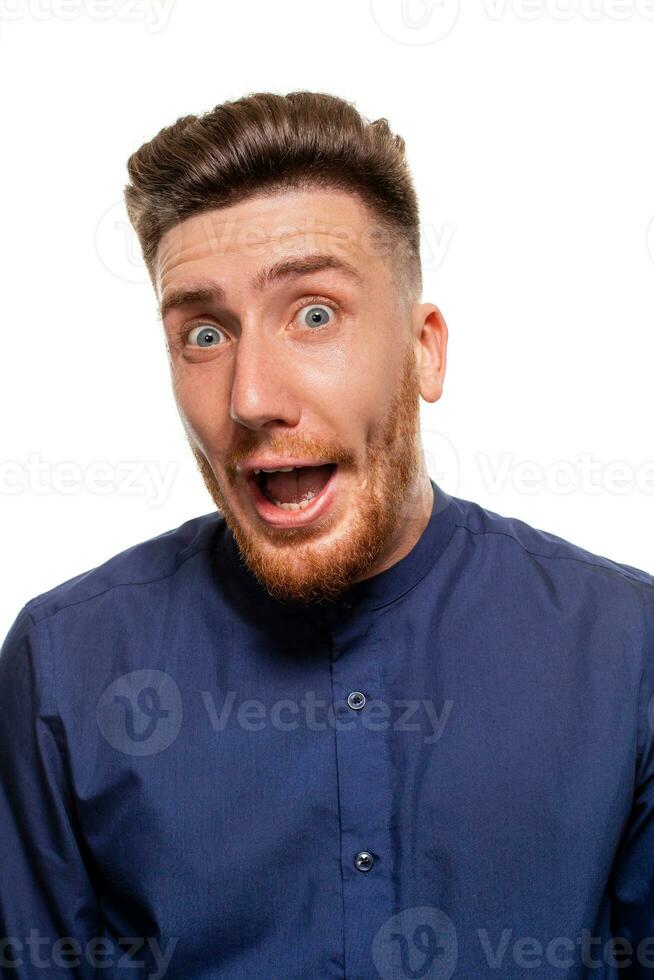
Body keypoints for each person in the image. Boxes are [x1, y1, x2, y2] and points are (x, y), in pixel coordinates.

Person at [1, 90, 652, 979]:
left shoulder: (628, 649)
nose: (251, 398)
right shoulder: (62, 665)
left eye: (314, 314)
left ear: (425, 350)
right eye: (202, 332)